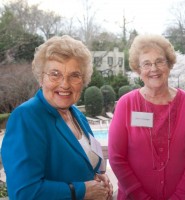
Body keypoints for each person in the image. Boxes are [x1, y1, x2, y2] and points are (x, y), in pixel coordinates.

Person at [1, 35, 113, 200]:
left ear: (83, 81)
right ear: (41, 78)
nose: (65, 84)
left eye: (74, 75)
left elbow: (82, 163)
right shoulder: (26, 117)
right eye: (55, 74)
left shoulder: (77, 115)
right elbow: (23, 193)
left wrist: (96, 178)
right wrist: (83, 191)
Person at [108, 34, 185, 200]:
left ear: (169, 65)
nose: (154, 68)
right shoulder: (126, 104)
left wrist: (180, 196)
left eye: (160, 61)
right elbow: (117, 158)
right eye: (146, 64)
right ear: (138, 70)